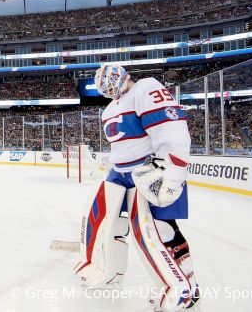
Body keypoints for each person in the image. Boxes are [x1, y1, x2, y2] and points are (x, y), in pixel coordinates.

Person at [73, 65, 200, 312]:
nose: (109, 90)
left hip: (146, 172)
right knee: (108, 225)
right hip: (119, 173)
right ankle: (109, 271)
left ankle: (185, 289)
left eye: (111, 84)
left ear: (123, 76)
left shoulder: (146, 87)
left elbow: (170, 128)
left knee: (158, 231)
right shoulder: (110, 108)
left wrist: (172, 171)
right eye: (105, 88)